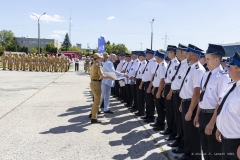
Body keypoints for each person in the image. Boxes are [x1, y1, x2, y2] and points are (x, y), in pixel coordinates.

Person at [193, 44, 231, 160]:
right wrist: (197, 114)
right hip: (203, 115)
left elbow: (220, 104)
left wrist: (212, 123)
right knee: (205, 149)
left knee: (214, 151)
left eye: (208, 59)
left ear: (216, 59)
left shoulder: (223, 77)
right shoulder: (206, 75)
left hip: (213, 117)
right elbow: (203, 97)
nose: (205, 61)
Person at [176, 44, 206, 160]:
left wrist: (190, 110)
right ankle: (187, 155)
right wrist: (181, 103)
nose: (186, 55)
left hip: (192, 105)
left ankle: (194, 157)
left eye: (187, 53)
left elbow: (197, 93)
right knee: (187, 132)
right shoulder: (191, 67)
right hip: (186, 102)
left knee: (193, 134)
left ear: (192, 55)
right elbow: (186, 88)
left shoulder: (198, 70)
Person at [216, 52, 240, 160]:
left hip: (236, 143)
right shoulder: (232, 85)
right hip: (226, 140)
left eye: (230, 66)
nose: (227, 68)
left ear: (238, 70)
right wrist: (220, 128)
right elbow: (224, 109)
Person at [168, 44, 189, 154]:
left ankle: (183, 143)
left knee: (181, 122)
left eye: (177, 51)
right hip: (176, 94)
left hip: (181, 95)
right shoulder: (181, 64)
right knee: (177, 118)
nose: (176, 53)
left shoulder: (186, 66)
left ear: (181, 52)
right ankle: (179, 138)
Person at [160, 45, 180, 142]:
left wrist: (170, 92)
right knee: (168, 110)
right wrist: (164, 90)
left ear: (172, 53)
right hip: (167, 87)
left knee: (172, 112)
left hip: (172, 88)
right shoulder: (171, 63)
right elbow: (167, 78)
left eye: (168, 52)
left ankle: (173, 132)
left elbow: (174, 80)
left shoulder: (176, 64)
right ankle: (169, 128)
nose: (167, 54)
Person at [150, 50, 167, 131]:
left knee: (160, 108)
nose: (155, 58)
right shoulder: (159, 65)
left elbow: (163, 80)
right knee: (158, 107)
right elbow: (156, 78)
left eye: (156, 57)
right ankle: (158, 121)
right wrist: (154, 88)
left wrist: (159, 91)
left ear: (159, 57)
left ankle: (161, 124)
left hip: (160, 88)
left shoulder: (163, 66)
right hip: (157, 88)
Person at [89, 53, 108, 124]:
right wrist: (111, 77)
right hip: (97, 83)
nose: (101, 59)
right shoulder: (98, 65)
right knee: (97, 101)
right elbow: (102, 75)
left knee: (95, 100)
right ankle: (94, 118)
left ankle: (92, 113)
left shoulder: (93, 64)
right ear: (96, 59)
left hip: (93, 83)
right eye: (100, 58)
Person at [139, 49, 157, 123]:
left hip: (150, 83)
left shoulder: (153, 62)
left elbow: (153, 75)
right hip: (146, 83)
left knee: (150, 101)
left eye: (146, 54)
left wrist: (150, 86)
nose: (145, 56)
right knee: (147, 100)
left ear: (150, 54)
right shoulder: (149, 62)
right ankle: (147, 114)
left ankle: (151, 117)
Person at [134, 51, 147, 116]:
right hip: (138, 80)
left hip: (142, 81)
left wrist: (141, 84)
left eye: (140, 56)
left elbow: (144, 75)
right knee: (139, 97)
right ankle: (140, 110)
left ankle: (141, 111)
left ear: (144, 57)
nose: (139, 57)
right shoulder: (141, 63)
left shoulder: (144, 63)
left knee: (141, 97)